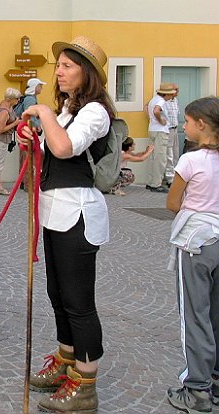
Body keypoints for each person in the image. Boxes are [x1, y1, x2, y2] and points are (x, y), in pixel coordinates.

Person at [17, 36, 115, 413]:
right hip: (55, 212)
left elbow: (64, 148)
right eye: (58, 64)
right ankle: (66, 362)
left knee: (79, 303)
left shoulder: (95, 112)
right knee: (58, 297)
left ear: (85, 73)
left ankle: (85, 384)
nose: (58, 71)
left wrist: (41, 115)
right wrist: (32, 138)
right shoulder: (67, 111)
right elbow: (48, 148)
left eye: (67, 66)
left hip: (78, 214)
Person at [165, 96, 219, 414]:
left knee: (195, 315)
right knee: (216, 312)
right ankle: (214, 379)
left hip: (196, 243)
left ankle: (196, 388)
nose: (184, 126)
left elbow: (173, 203)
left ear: (200, 124)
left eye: (187, 121)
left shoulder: (190, 161)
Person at [0, 87, 22, 196]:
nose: (18, 101)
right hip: (1, 139)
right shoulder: (5, 112)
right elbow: (0, 129)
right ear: (11, 99)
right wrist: (15, 123)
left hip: (1, 138)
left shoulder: (7, 104)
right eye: (17, 99)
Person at [146, 82, 176, 193]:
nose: (172, 96)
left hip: (152, 129)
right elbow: (156, 111)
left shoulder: (153, 99)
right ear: (166, 94)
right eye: (171, 94)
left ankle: (150, 182)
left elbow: (149, 109)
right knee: (160, 158)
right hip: (160, 131)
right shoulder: (161, 101)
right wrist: (160, 120)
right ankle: (156, 184)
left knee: (152, 157)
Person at [20, 78, 46, 190]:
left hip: (28, 130)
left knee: (26, 156)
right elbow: (29, 115)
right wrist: (36, 126)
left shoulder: (29, 98)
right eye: (40, 86)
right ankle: (28, 184)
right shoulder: (30, 99)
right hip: (30, 131)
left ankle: (24, 182)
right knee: (30, 156)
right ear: (35, 87)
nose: (41, 88)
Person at [164, 83, 180, 187]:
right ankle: (170, 178)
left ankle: (175, 175)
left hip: (175, 128)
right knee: (169, 153)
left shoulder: (175, 101)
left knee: (175, 152)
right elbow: (148, 107)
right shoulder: (163, 102)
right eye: (176, 90)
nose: (177, 92)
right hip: (168, 129)